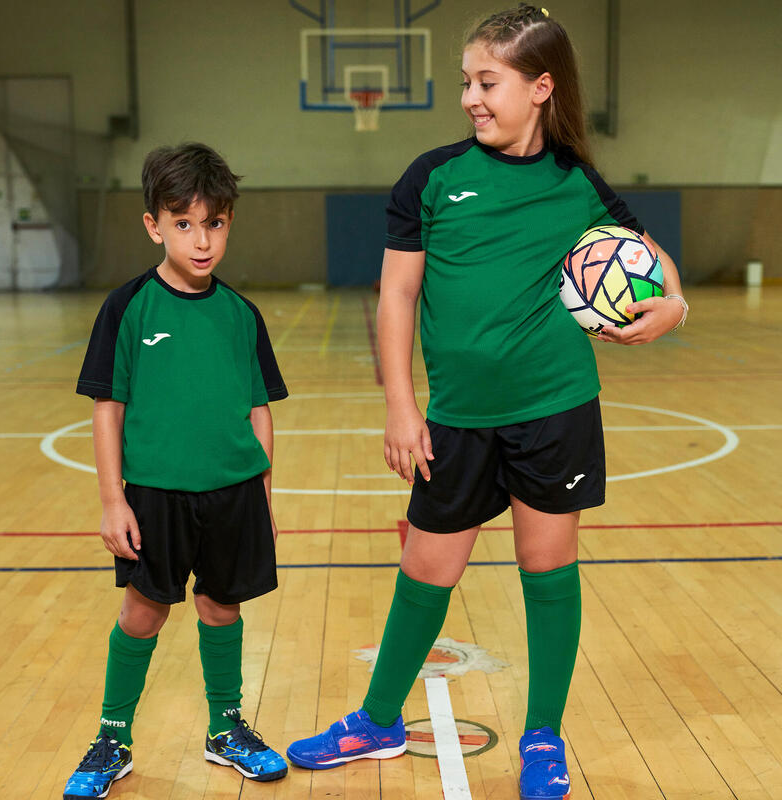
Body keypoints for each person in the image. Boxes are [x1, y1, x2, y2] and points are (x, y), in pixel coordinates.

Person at [286, 5, 687, 799]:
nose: (471, 96)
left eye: (487, 81)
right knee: (425, 568)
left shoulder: (576, 181)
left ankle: (543, 735)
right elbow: (397, 295)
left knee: (549, 568)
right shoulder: (432, 177)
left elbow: (651, 258)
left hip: (556, 408)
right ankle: (377, 721)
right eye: (467, 80)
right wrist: (402, 406)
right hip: (457, 419)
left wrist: (674, 303)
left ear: (540, 88)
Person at [64, 143, 289, 799]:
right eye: (183, 223)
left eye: (214, 223)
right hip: (155, 495)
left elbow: (259, 409)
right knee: (143, 612)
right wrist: (113, 500)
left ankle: (226, 728)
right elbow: (108, 407)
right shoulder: (129, 307)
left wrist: (266, 496)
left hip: (235, 492)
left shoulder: (241, 314)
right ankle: (112, 737)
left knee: (223, 607)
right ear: (153, 225)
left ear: (228, 223)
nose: (201, 240)